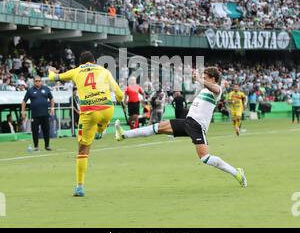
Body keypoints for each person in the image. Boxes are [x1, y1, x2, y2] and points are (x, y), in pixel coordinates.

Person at [115, 67, 247, 188]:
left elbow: (216, 89)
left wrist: (200, 79)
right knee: (157, 127)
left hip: (197, 127)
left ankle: (237, 173)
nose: (203, 78)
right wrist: (197, 76)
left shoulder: (216, 90)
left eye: (206, 77)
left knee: (205, 158)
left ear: (213, 79)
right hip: (187, 122)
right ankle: (124, 134)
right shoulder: (203, 90)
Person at [48, 51, 123, 197]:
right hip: (107, 109)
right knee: (102, 120)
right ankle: (101, 128)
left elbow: (54, 78)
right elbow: (119, 94)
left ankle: (79, 187)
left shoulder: (76, 71)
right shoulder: (104, 71)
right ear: (94, 61)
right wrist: (120, 99)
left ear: (81, 63)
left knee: (82, 150)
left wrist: (51, 72)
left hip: (89, 112)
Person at [21, 76, 54, 151]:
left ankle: (47, 146)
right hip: (35, 115)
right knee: (35, 131)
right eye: (36, 81)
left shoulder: (46, 89)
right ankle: (36, 146)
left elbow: (51, 99)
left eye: (39, 81)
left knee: (46, 130)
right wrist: (22, 111)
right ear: (34, 82)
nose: (37, 82)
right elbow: (24, 101)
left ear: (41, 81)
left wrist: (52, 108)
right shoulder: (30, 90)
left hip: (45, 114)